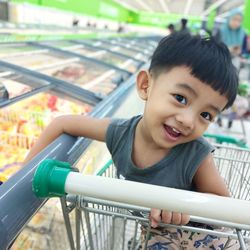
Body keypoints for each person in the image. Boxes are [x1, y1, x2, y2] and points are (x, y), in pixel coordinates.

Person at [24, 33, 239, 249]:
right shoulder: (121, 133)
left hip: (205, 242)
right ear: (146, 85)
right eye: (180, 98)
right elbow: (62, 124)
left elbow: (223, 204)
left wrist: (185, 205)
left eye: (206, 115)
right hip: (157, 237)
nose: (188, 121)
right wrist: (22, 178)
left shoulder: (195, 154)